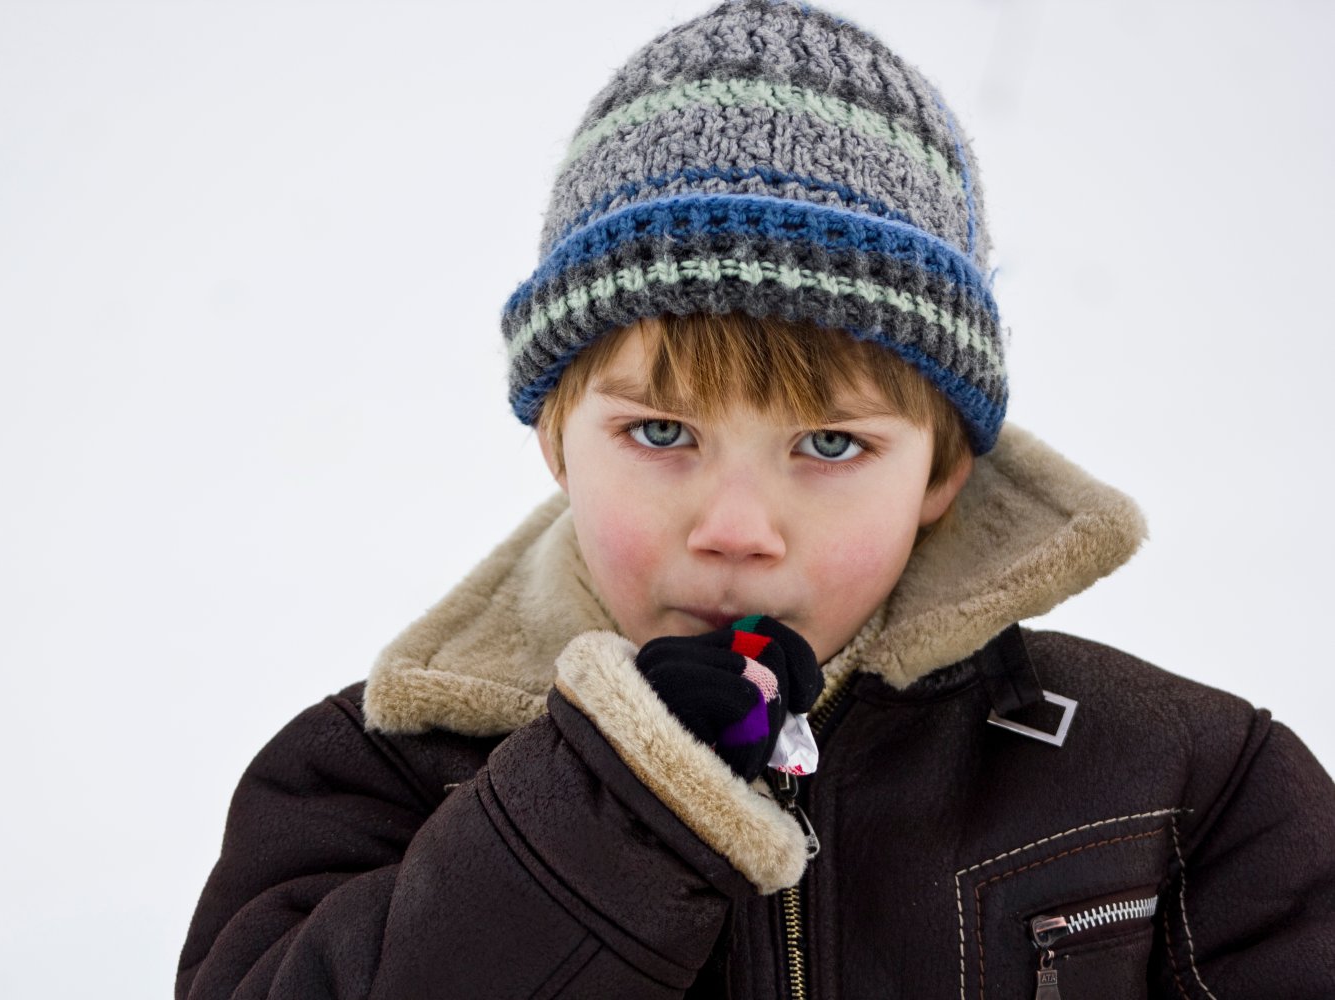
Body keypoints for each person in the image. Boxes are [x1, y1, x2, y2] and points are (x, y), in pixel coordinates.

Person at [175, 2, 1335, 996]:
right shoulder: (370, 785)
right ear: (555, 441)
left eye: (829, 442)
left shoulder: (1188, 786)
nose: (736, 529)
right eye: (661, 431)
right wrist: (610, 808)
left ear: (941, 472)